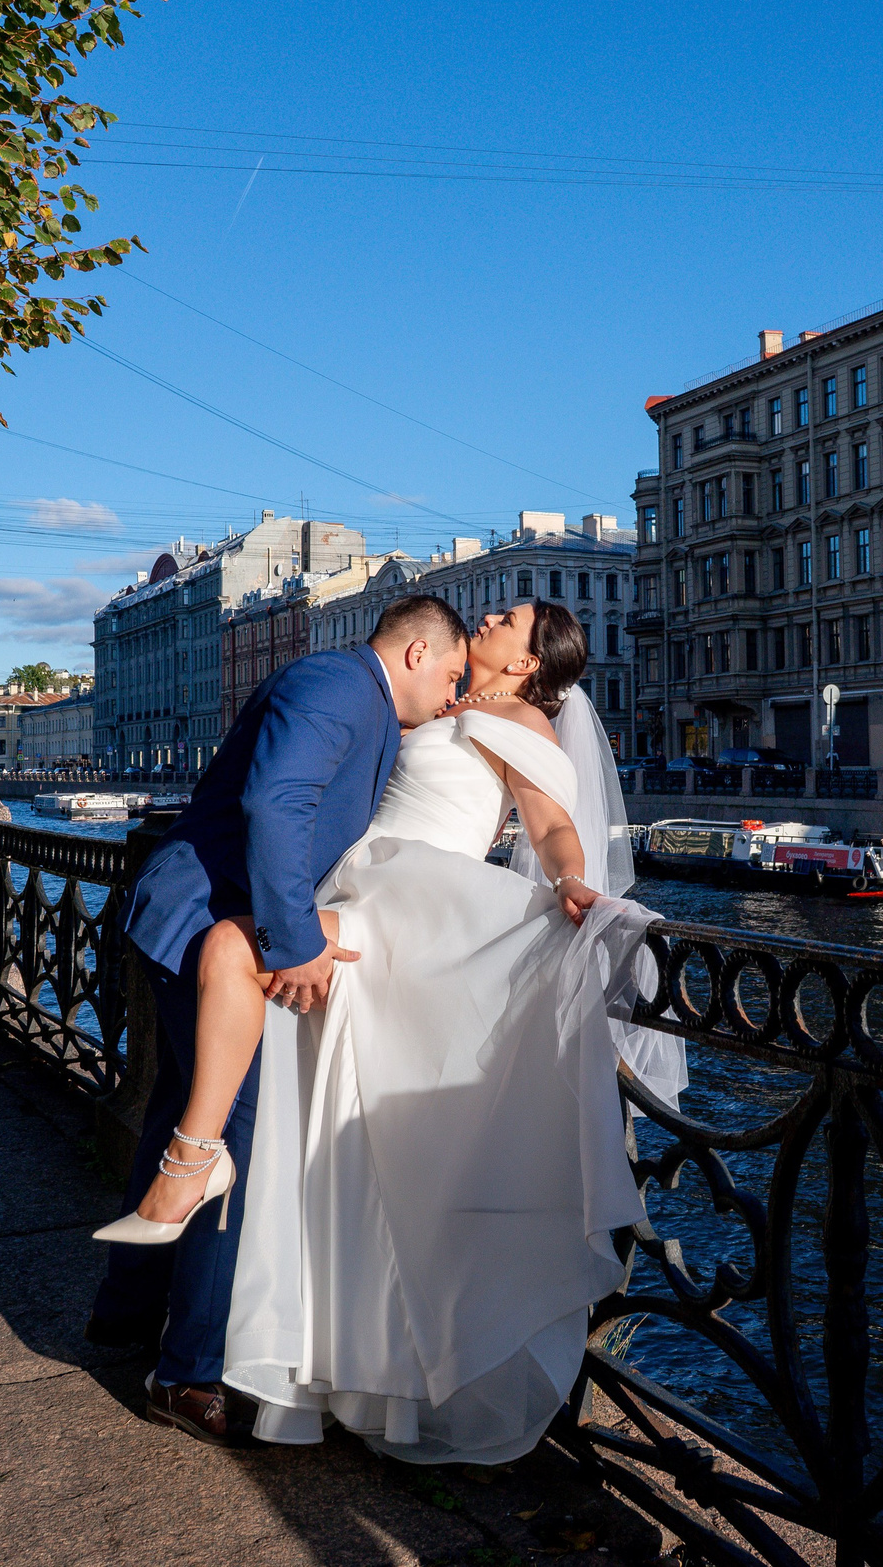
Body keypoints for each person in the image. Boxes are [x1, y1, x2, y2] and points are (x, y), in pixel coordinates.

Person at [216, 600, 679, 1465]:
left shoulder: (520, 715)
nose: (489, 617)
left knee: (378, 1152)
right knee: (337, 1150)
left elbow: (547, 822)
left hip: (410, 918)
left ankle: (378, 1381)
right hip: (356, 909)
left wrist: (571, 880)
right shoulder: (447, 704)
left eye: (508, 618)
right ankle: (324, 1375)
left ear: (527, 661)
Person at [87, 594, 470, 1444]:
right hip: (213, 926)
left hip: (200, 916)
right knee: (230, 1145)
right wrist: (294, 941)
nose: (451, 696)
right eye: (450, 676)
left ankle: (126, 1308)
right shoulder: (339, 683)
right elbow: (276, 804)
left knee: (177, 1119)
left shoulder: (360, 699)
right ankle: (184, 1373)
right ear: (414, 654)